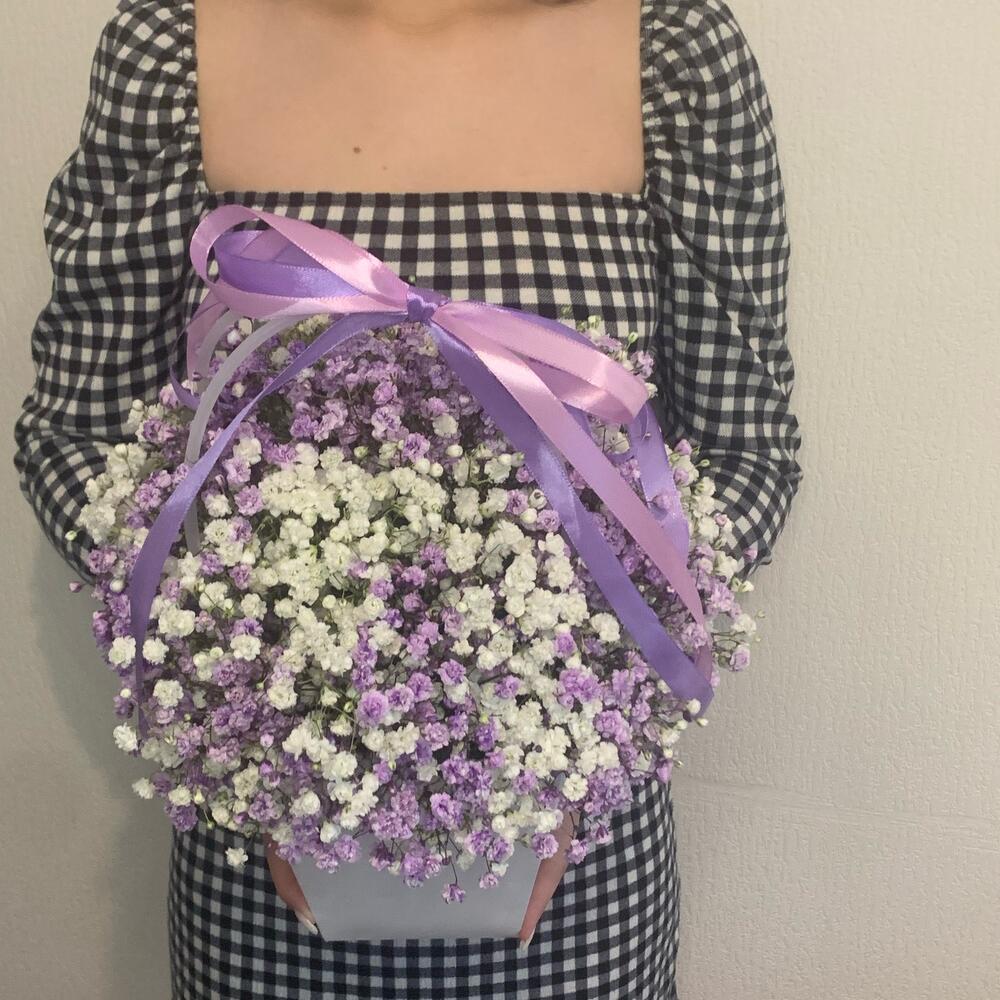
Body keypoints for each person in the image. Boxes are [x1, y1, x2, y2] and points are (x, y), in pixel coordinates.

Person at [11, 0, 803, 996]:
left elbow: (739, 448)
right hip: (263, 864)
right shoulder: (172, 51)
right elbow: (85, 437)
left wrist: (572, 724)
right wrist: (255, 710)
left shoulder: (673, 54)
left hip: (580, 870)